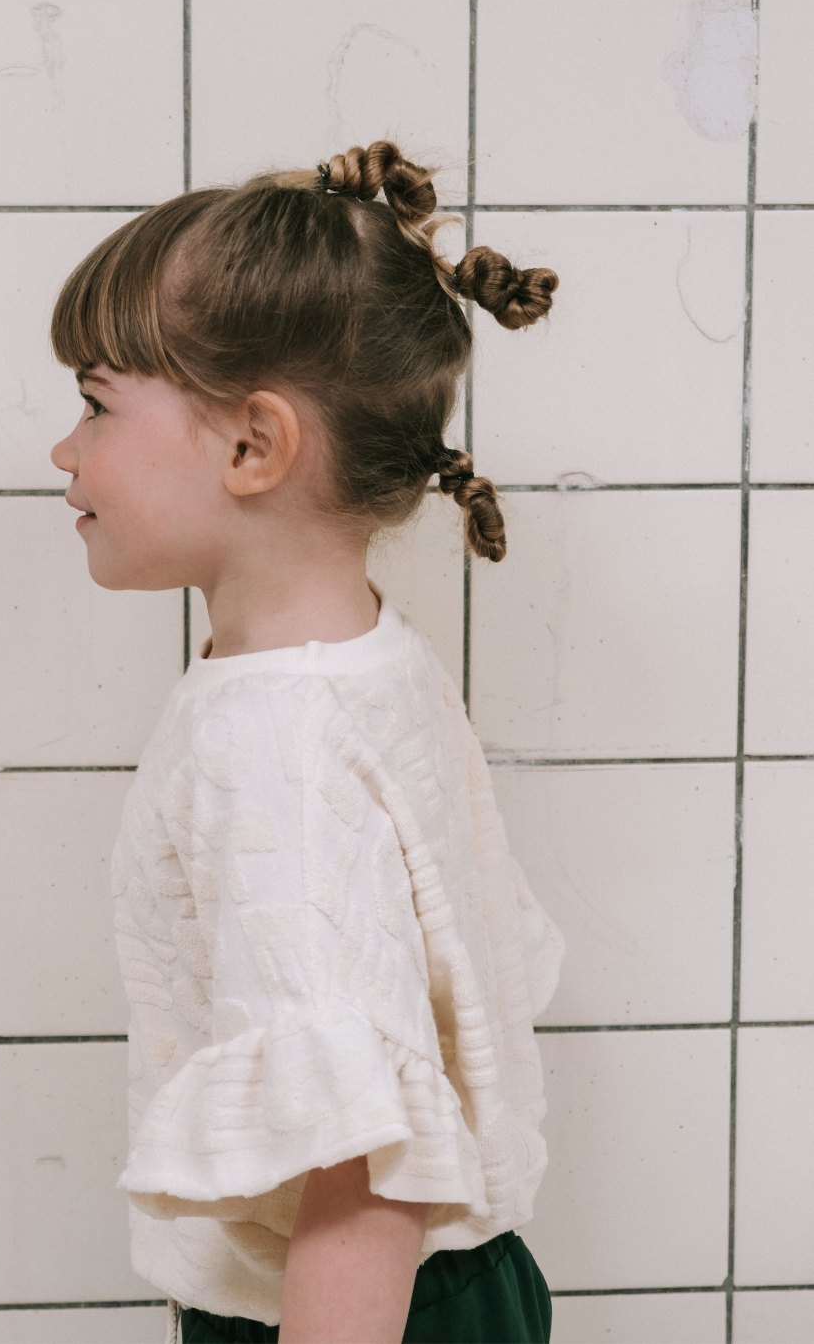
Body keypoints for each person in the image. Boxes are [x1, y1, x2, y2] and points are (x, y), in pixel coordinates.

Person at [48, 138, 566, 1344]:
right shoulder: (362, 657)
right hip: (447, 1288)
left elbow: (360, 1165)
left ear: (254, 446)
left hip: (356, 1307)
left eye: (96, 403)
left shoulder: (272, 742)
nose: (65, 448)